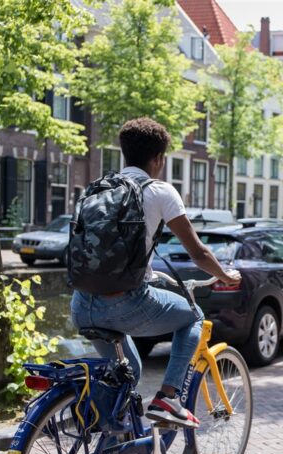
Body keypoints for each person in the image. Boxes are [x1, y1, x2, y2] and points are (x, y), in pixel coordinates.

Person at [70, 118, 240, 428]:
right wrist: (226, 276)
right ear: (158, 159)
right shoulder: (160, 191)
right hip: (126, 302)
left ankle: (110, 439)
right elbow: (199, 253)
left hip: (81, 303)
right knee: (194, 316)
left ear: (124, 153)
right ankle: (168, 398)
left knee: (128, 373)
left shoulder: (97, 189)